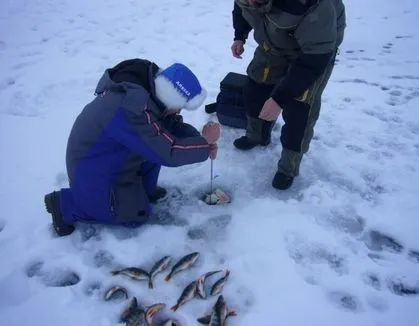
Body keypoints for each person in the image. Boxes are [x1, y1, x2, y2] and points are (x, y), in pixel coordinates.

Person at [44, 58, 220, 237]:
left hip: (113, 155)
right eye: (180, 106)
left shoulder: (149, 95)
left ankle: (141, 192)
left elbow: (167, 128)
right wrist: (203, 147)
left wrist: (199, 139)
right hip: (92, 168)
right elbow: (169, 151)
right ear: (170, 97)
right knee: (136, 215)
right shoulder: (130, 108)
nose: (179, 112)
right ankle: (65, 204)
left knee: (153, 150)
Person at [230, 0, 346, 190]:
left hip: (314, 53)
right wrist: (240, 36)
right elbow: (241, 8)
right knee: (255, 86)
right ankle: (257, 135)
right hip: (273, 45)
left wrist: (279, 99)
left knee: (299, 109)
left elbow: (313, 60)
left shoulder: (313, 5)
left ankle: (288, 168)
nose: (249, 2)